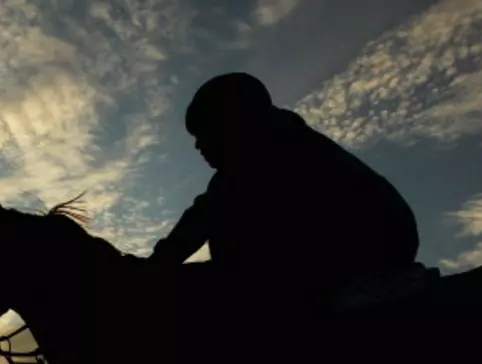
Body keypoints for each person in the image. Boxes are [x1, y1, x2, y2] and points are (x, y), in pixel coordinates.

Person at [148, 72, 420, 318]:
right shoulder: (273, 149)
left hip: (354, 257)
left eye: (205, 132)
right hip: (348, 257)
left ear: (233, 120)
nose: (198, 145)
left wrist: (153, 271)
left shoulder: (270, 153)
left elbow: (204, 221)